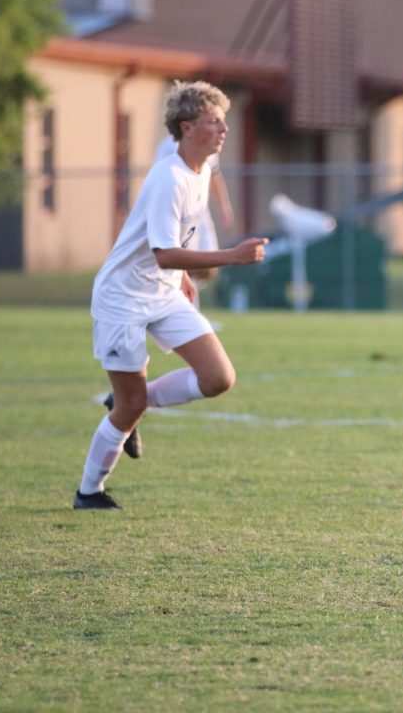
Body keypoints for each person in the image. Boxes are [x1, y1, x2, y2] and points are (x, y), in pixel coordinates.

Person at [74, 80, 269, 510]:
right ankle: (89, 491)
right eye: (213, 122)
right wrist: (232, 257)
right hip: (122, 299)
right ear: (185, 128)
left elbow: (171, 247)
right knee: (130, 407)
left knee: (219, 378)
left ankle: (128, 403)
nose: (223, 130)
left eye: (224, 121)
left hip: (162, 292)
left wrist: (184, 274)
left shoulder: (199, 173)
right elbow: (163, 254)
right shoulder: (169, 177)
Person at [154, 131, 235, 299]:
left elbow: (215, 175)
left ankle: (188, 308)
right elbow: (161, 181)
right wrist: (236, 255)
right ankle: (178, 307)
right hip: (179, 215)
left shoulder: (208, 149)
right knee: (183, 263)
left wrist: (224, 206)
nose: (222, 128)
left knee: (208, 269)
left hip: (200, 214)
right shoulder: (169, 146)